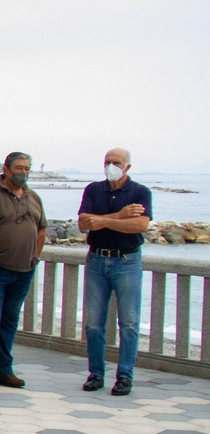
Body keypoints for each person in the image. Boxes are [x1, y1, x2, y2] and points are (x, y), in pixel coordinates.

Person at [77, 148, 150, 396]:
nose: (111, 165)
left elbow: (139, 225)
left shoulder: (140, 192)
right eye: (107, 161)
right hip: (97, 260)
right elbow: (83, 223)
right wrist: (118, 216)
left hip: (127, 261)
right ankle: (96, 373)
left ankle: (125, 376)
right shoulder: (93, 190)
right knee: (94, 324)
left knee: (129, 323)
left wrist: (102, 221)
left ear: (127, 167)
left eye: (116, 162)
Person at [0, 152, 46, 393]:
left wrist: (35, 256)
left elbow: (41, 229)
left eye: (27, 168)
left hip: (24, 271)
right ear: (6, 168)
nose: (23, 172)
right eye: (18, 168)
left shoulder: (33, 197)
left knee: (10, 322)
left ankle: (4, 370)